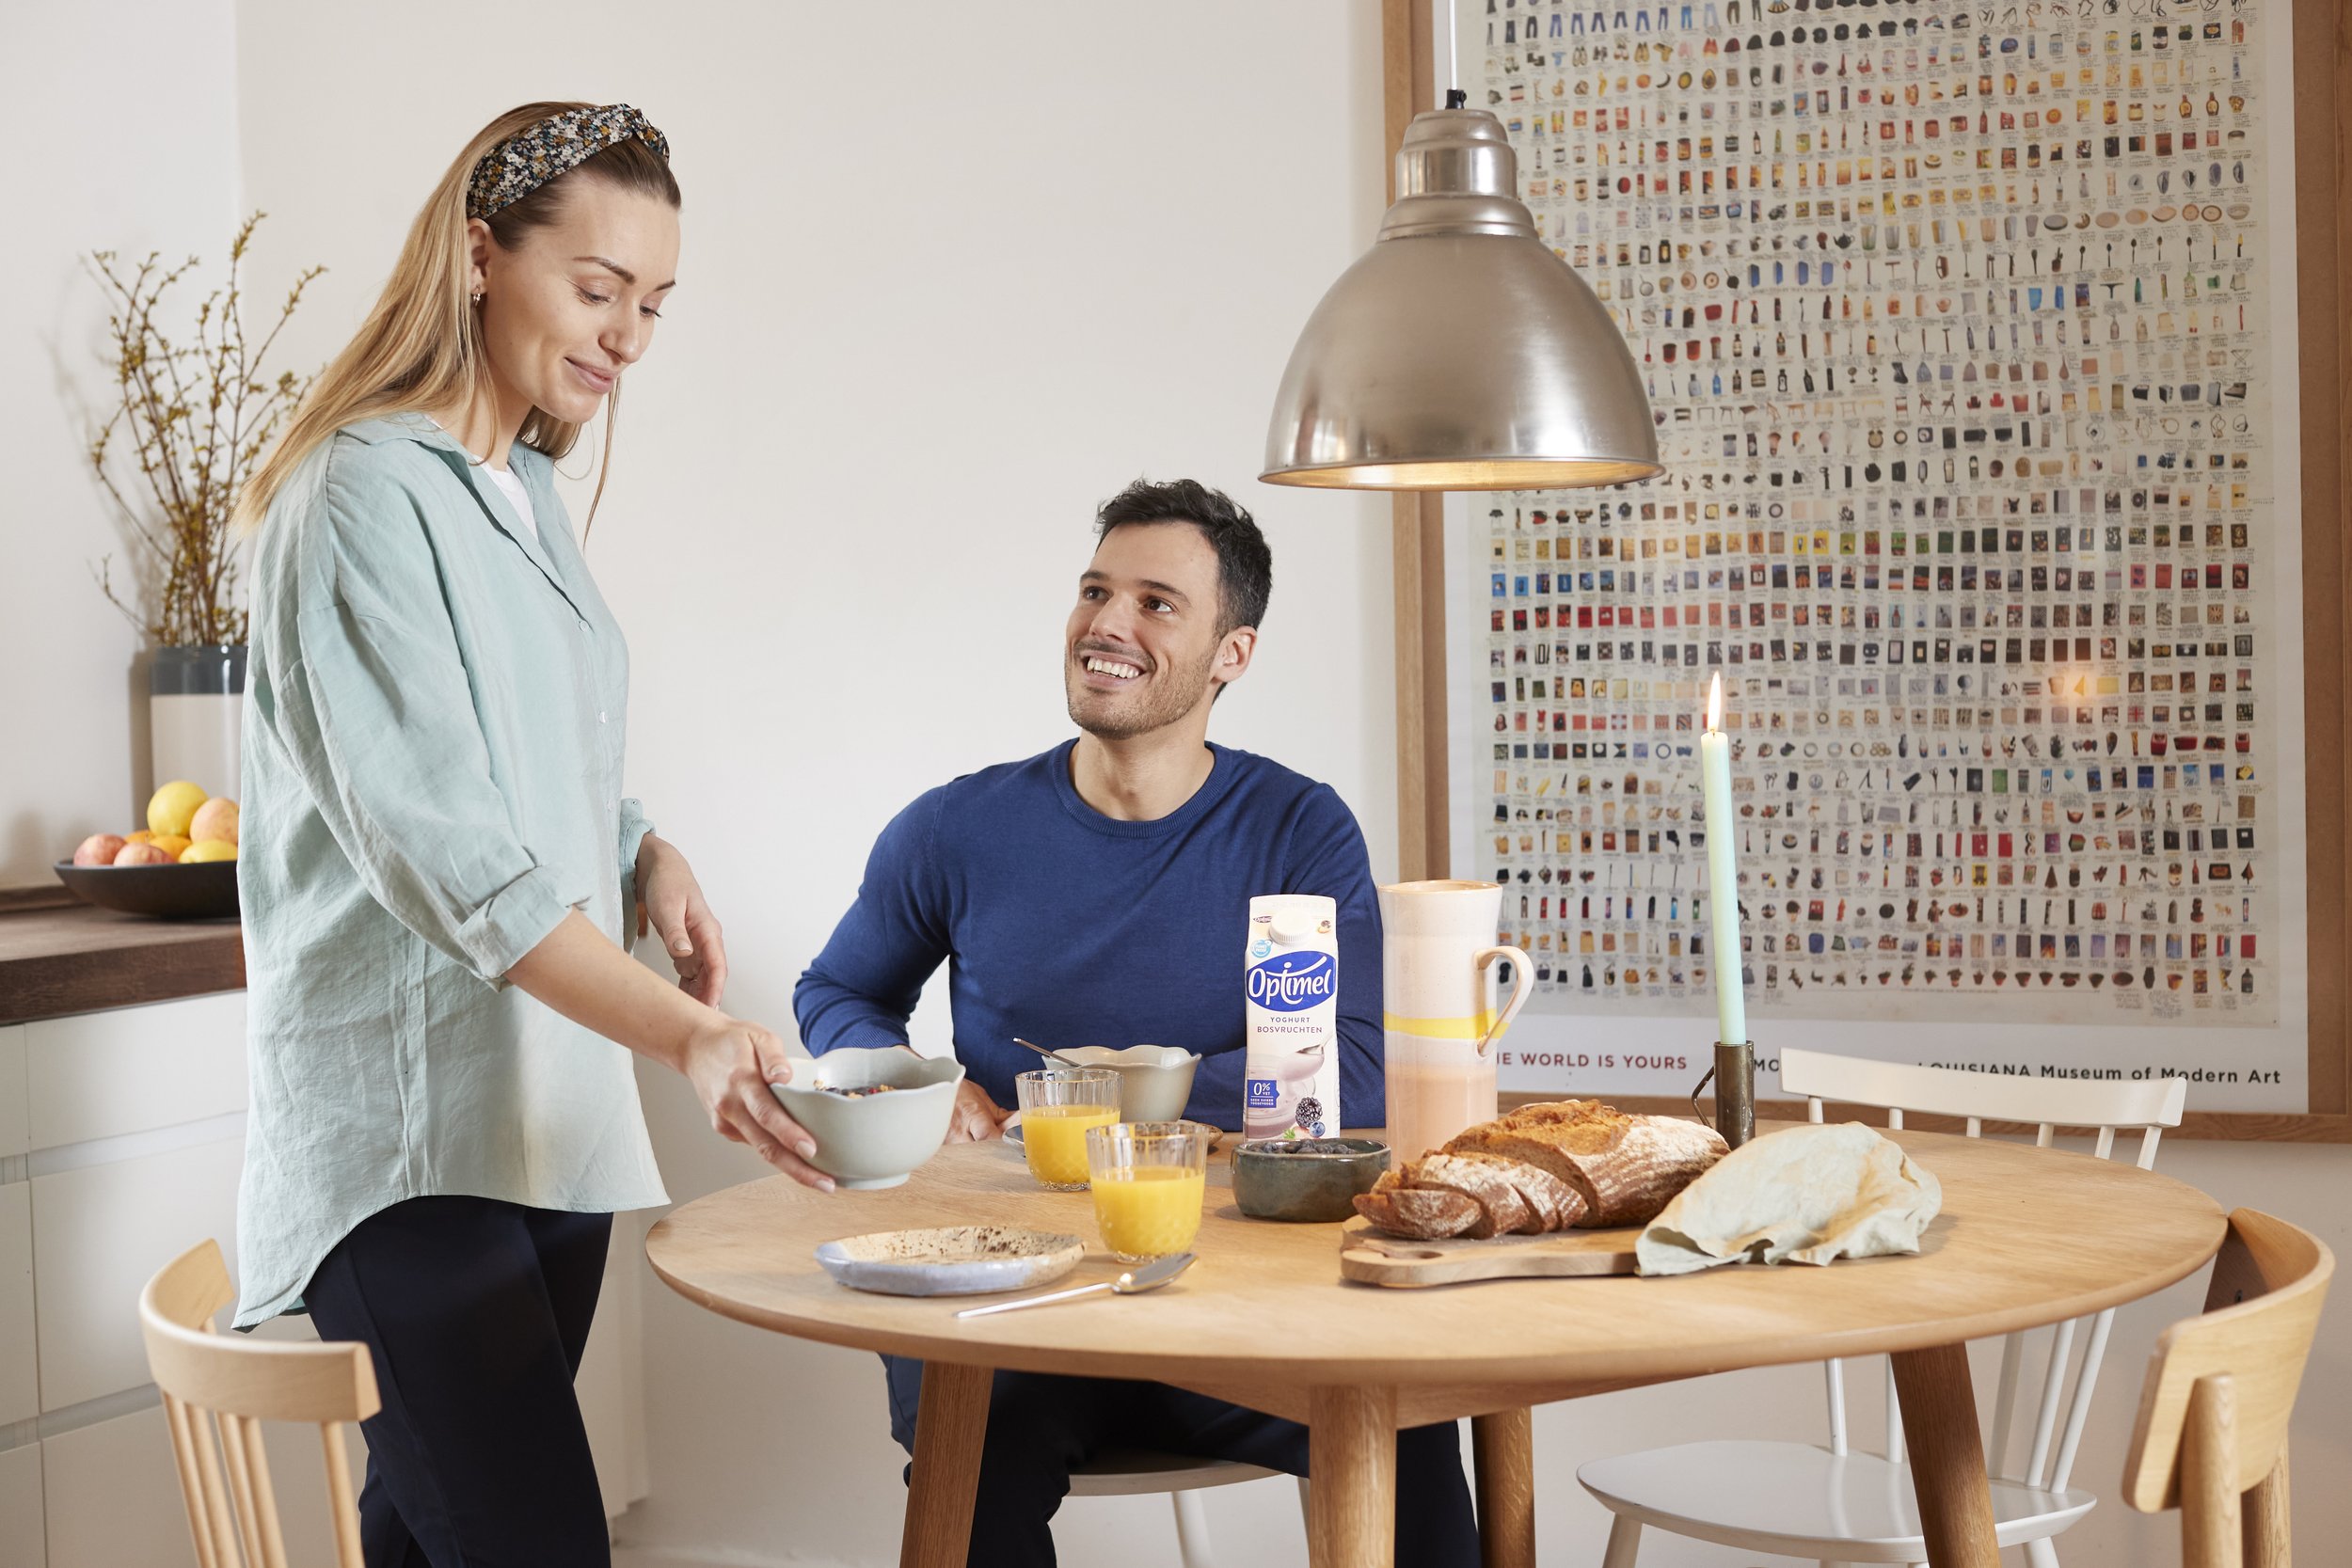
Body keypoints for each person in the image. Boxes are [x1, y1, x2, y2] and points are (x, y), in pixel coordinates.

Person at [231, 102, 829, 1568]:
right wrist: (687, 1033)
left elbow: (529, 750)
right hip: (408, 1134)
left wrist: (638, 847)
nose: (629, 336)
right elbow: (445, 847)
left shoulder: (527, 491)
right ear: (482, 256)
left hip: (541, 1120)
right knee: (535, 1539)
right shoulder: (358, 492)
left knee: (435, 1539)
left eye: (655, 305)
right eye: (599, 288)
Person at [795, 479, 1478, 1567]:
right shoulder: (957, 827)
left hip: (1237, 1298)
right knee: (971, 1453)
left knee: (1414, 1415)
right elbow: (835, 991)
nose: (1107, 623)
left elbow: (1351, 1060)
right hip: (1018, 1296)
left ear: (1230, 653)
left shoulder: (1298, 827)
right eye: (1094, 590)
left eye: (1157, 601)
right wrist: (926, 1082)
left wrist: (1103, 1109)